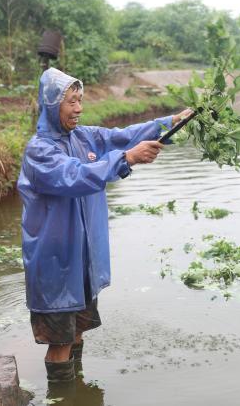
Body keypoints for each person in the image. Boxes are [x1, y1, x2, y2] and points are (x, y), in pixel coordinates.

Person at [17, 68, 191, 383]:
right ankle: (63, 395)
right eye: (71, 101)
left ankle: (78, 387)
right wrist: (127, 159)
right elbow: (73, 176)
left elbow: (120, 137)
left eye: (80, 100)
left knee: (78, 330)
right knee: (60, 342)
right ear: (52, 103)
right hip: (56, 263)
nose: (79, 108)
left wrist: (169, 123)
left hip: (82, 260)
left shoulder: (83, 137)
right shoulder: (39, 151)